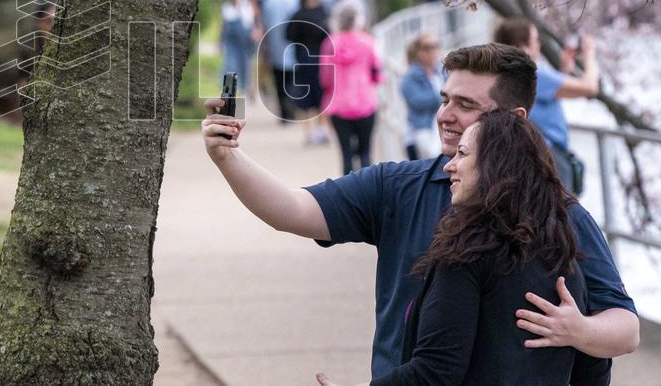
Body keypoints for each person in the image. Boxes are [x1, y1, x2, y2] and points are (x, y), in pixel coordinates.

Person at [200, 43, 638, 380]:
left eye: (466, 105)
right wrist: (228, 157)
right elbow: (292, 209)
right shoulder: (396, 185)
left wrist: (578, 331)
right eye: (444, 98)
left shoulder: (560, 213)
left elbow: (625, 328)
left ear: (514, 120)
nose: (444, 114)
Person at [342, 110, 610, 385]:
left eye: (462, 154)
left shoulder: (467, 255)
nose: (449, 166)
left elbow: (435, 372)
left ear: (494, 165)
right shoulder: (565, 256)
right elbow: (594, 370)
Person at [493, 18, 598, 193]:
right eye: (535, 40)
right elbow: (590, 87)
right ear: (523, 46)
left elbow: (546, 96)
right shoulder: (533, 74)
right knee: (562, 213)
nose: (539, 45)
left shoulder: (507, 74)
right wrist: (590, 55)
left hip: (532, 154)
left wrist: (564, 69)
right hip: (550, 155)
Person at [319, 0, 382, 174]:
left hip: (338, 105)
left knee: (346, 154)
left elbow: (325, 78)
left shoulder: (330, 43)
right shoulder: (369, 42)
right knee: (365, 152)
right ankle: (368, 194)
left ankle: (347, 196)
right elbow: (377, 73)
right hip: (366, 104)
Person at [286, 0, 331, 145]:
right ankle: (322, 129)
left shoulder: (297, 15)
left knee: (306, 98)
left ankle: (310, 132)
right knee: (323, 96)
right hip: (322, 62)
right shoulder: (324, 13)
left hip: (304, 61)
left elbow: (289, 35)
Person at [260, 0, 300, 122]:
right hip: (295, 48)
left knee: (279, 82)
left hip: (275, 48)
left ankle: (284, 113)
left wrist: (264, 48)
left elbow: (264, 26)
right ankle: (292, 109)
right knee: (293, 81)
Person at [400, 34, 443, 161]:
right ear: (418, 51)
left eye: (435, 46)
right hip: (422, 126)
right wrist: (444, 97)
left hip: (441, 123)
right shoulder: (410, 76)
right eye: (427, 47)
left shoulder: (443, 71)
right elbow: (417, 101)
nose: (432, 51)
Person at [219, 0, 260, 98]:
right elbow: (223, 27)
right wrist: (221, 43)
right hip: (232, 43)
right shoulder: (227, 8)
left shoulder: (247, 6)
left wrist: (256, 31)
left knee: (247, 66)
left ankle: (249, 89)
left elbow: (255, 21)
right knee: (230, 66)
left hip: (246, 41)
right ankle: (230, 91)